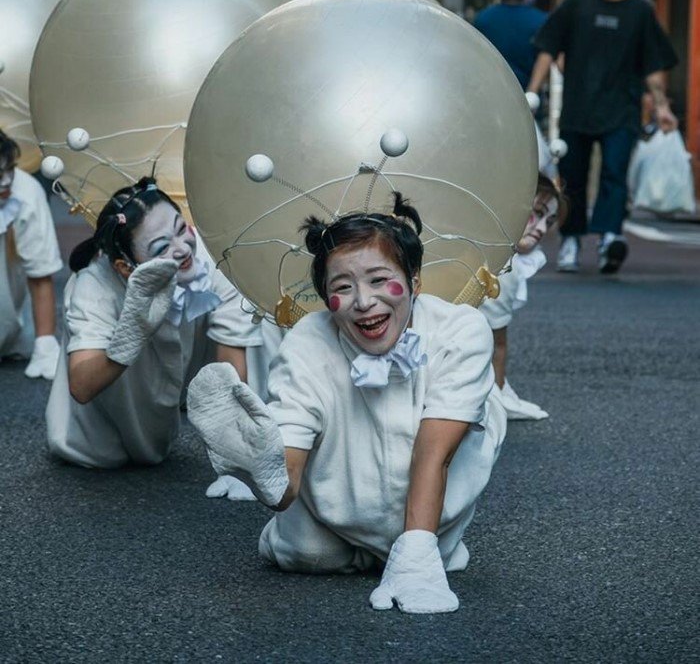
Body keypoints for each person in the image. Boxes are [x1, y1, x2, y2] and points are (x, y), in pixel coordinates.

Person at [188, 193, 506, 615]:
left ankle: (419, 540)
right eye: (342, 286)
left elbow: (435, 455)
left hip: (436, 486)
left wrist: (416, 553)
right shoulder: (307, 339)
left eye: (378, 279)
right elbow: (291, 470)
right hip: (336, 504)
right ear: (325, 299)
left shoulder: (462, 329)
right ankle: (351, 545)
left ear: (415, 281)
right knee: (306, 553)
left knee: (425, 547)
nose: (363, 301)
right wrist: (262, 466)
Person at [45, 177, 274, 471]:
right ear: (125, 267)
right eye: (161, 247)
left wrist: (238, 455)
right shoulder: (93, 286)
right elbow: (81, 385)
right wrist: (133, 330)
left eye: (181, 229)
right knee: (106, 451)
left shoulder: (210, 258)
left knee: (260, 315)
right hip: (98, 438)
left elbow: (232, 362)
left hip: (182, 372)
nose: (182, 250)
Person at [527, 0, 678, 274]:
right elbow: (548, 49)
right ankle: (572, 240)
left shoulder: (641, 11)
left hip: (622, 110)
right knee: (573, 178)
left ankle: (610, 237)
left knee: (615, 173)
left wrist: (662, 106)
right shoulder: (576, 5)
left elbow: (653, 67)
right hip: (579, 108)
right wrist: (531, 95)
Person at [481, 173, 563, 421]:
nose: (541, 229)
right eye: (537, 213)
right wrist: (499, 396)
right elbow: (497, 343)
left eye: (548, 222)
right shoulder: (504, 266)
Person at [0, 130, 62, 379]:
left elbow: (40, 275)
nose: (5, 182)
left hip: (11, 334)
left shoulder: (26, 192)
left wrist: (45, 346)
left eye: (9, 169)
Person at [473, 0, 547, 91]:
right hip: (527, 98)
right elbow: (546, 58)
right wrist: (533, 92)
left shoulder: (483, 19)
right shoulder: (541, 20)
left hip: (491, 94)